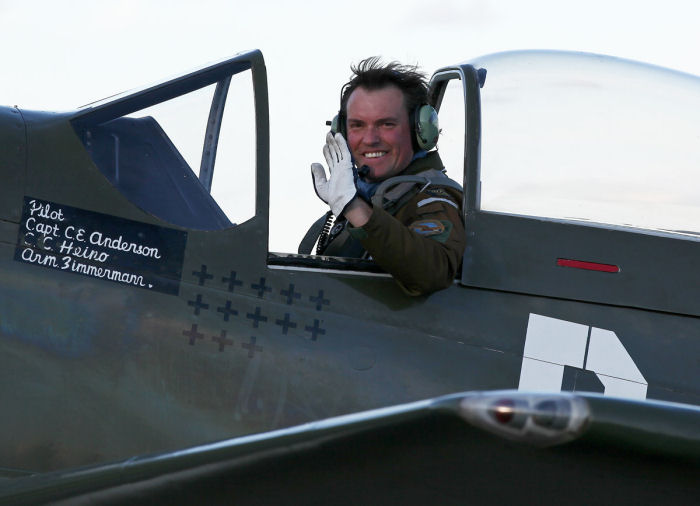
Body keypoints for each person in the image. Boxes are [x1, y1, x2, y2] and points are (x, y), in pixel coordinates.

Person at [309, 57, 466, 296]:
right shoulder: (369, 197)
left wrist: (353, 207)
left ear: (420, 130)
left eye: (386, 124)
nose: (370, 139)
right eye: (357, 125)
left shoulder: (433, 200)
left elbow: (432, 271)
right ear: (341, 131)